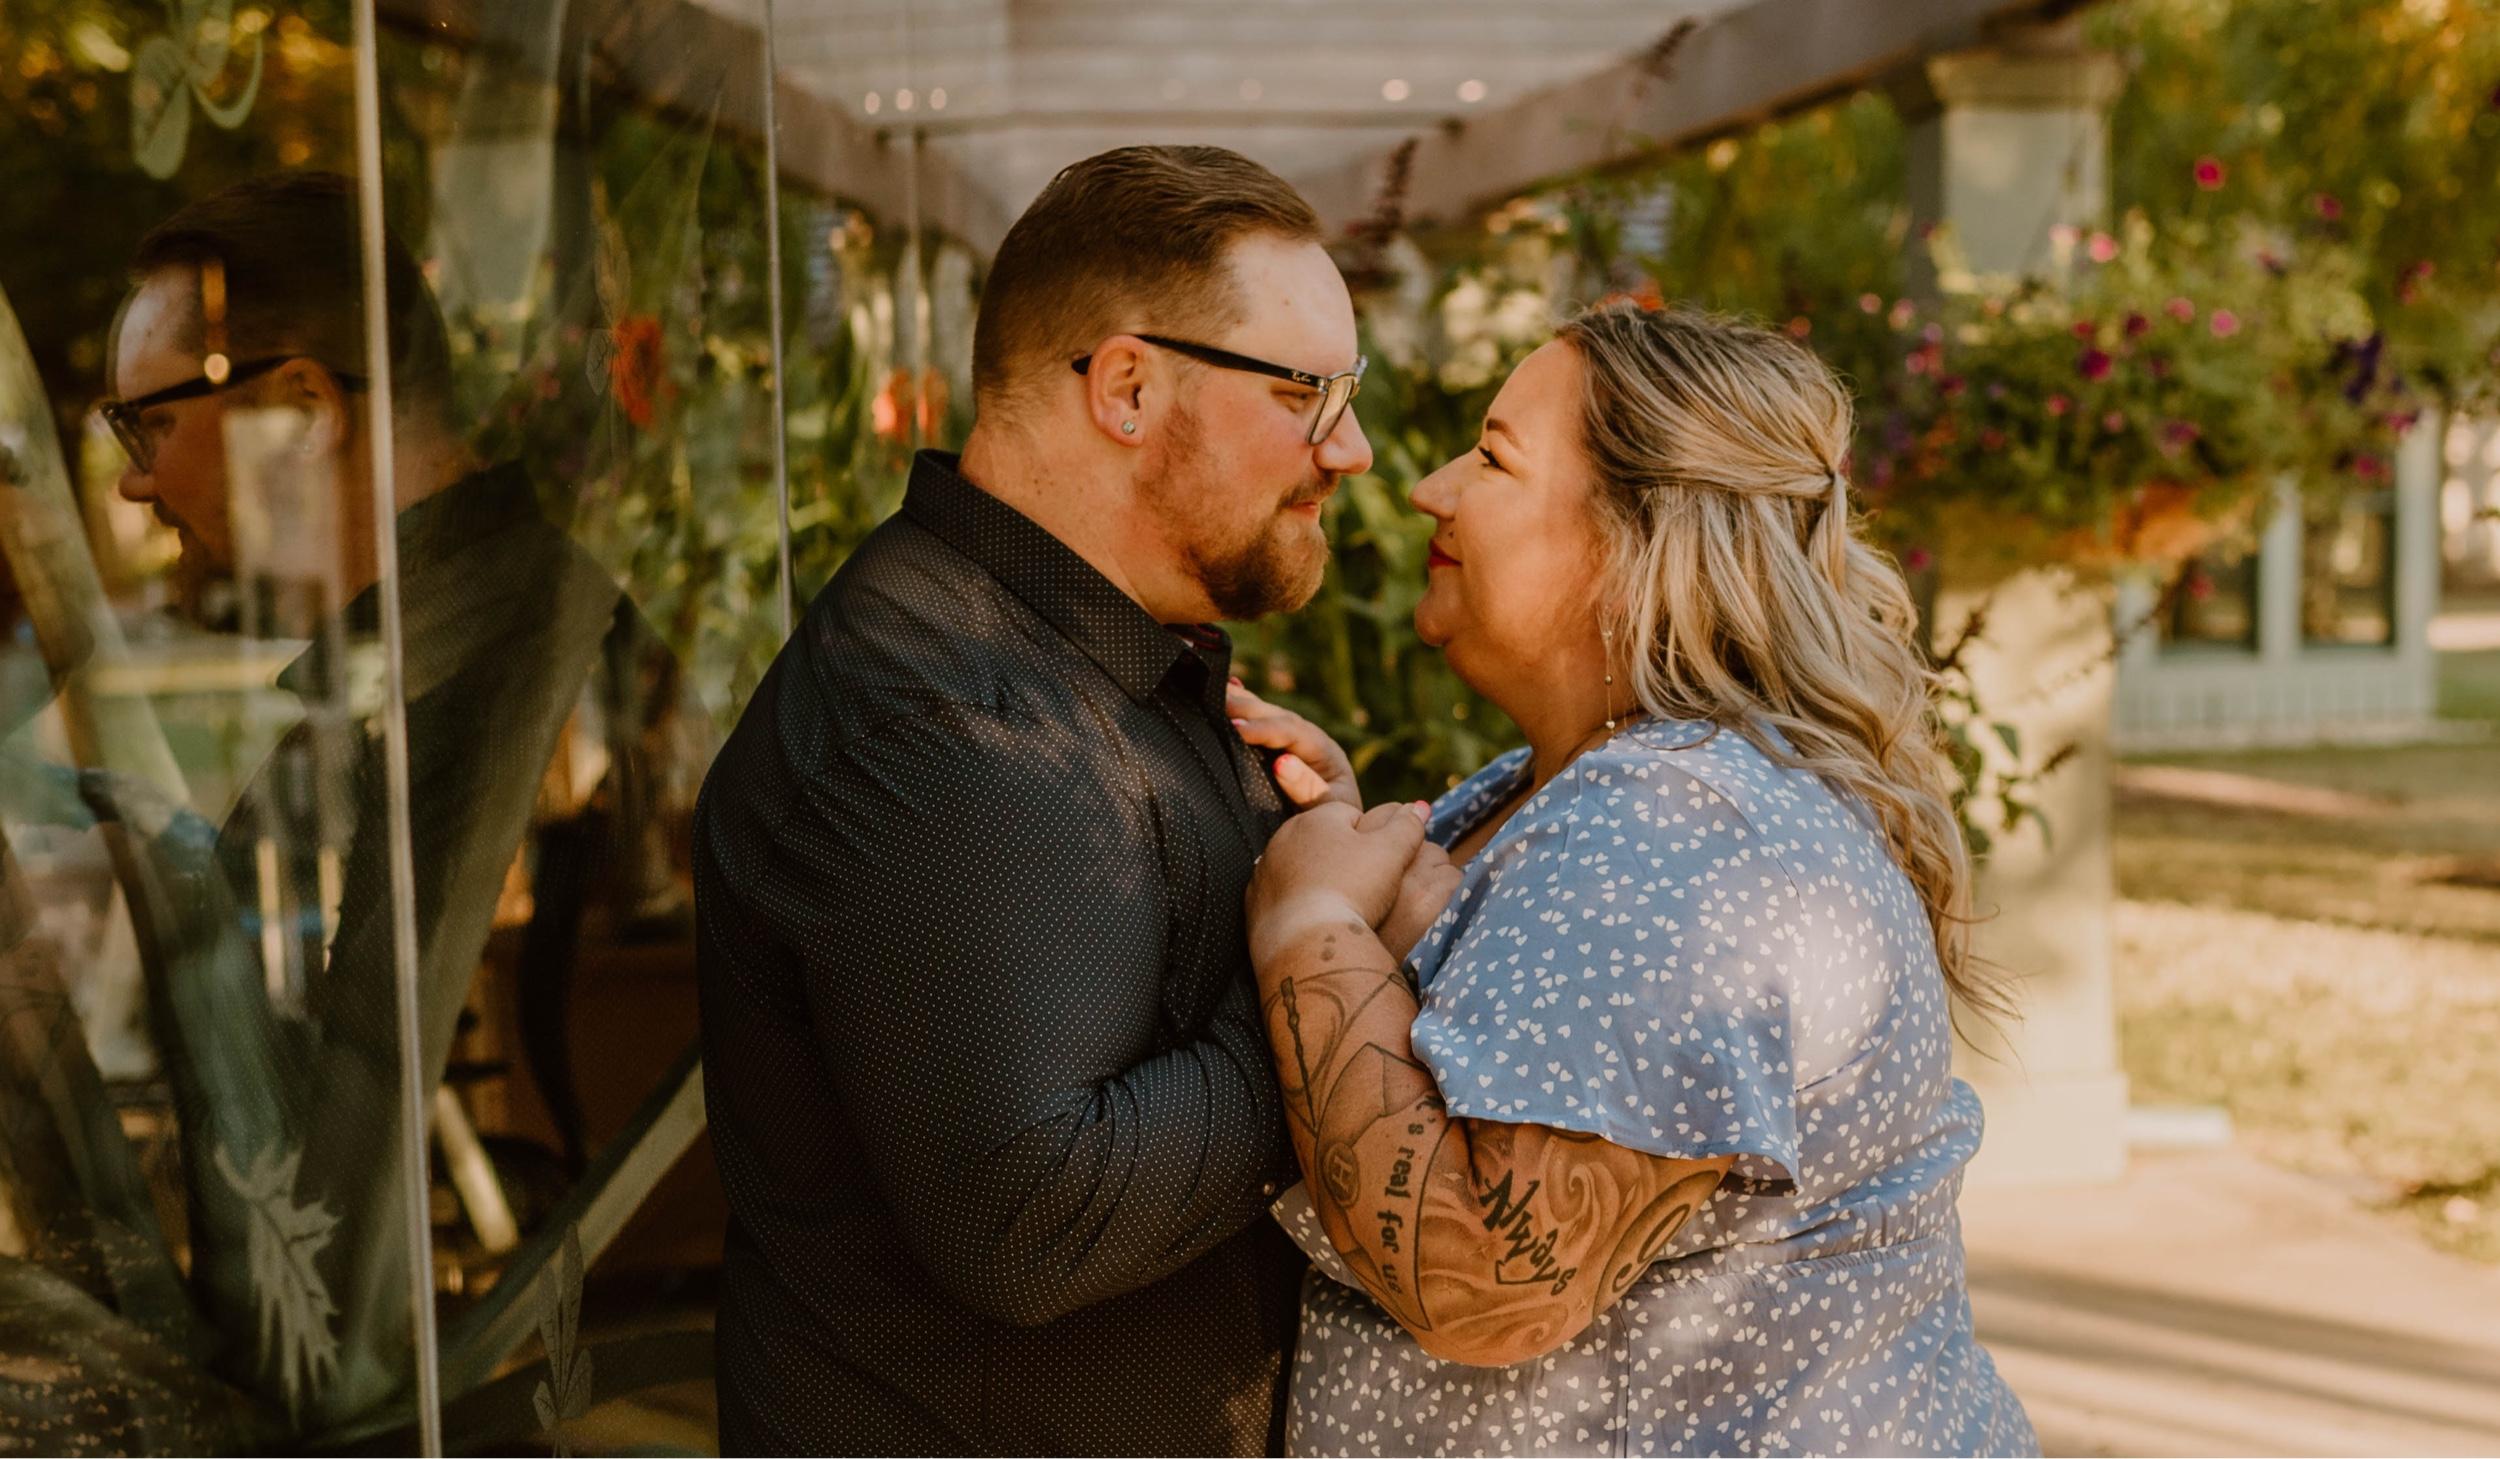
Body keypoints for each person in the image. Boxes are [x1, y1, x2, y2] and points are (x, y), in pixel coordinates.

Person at [1229, 302, 2037, 1455]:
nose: (1430, 490)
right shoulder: (1577, 786)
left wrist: (1308, 921)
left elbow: (1494, 1281)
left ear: (1630, 539)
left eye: (1493, 458)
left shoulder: (1678, 836)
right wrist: (1359, 856)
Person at [692, 145, 1375, 1454]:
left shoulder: (1079, 659)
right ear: (1127, 387)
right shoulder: (942, 716)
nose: (1348, 448)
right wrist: (1329, 960)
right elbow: (1037, 1217)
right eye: (1307, 391)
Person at [58, 169, 651, 1434]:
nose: (131, 486)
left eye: (143, 427)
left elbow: (321, 1281)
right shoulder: (433, 647)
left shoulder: (467, 669)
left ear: (300, 409)